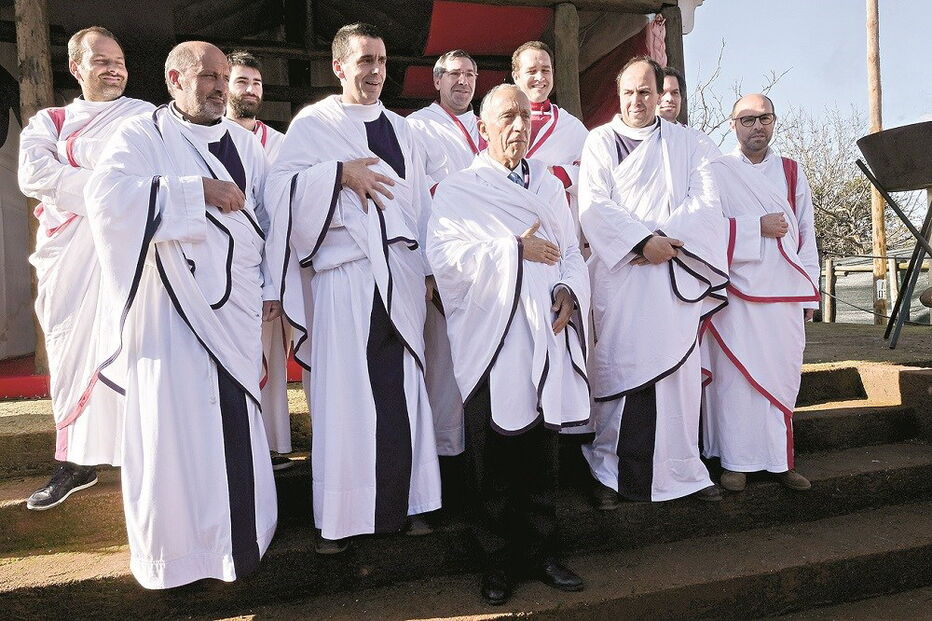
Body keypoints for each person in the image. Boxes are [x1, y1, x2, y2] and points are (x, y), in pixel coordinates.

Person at [84, 41, 277, 589]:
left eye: (224, 77)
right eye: (208, 76)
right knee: (176, 433)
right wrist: (196, 193)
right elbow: (107, 199)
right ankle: (180, 558)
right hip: (170, 316)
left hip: (234, 312)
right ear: (174, 78)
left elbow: (267, 216)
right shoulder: (142, 136)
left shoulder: (245, 143)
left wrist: (268, 286)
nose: (219, 86)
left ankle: (242, 540)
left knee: (236, 421)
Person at [265, 22, 441, 555]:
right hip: (346, 280)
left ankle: (404, 504)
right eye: (364, 61)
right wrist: (338, 174)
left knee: (401, 392)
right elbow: (278, 193)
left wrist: (430, 269)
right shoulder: (313, 124)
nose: (375, 71)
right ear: (339, 66)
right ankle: (340, 519)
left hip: (401, 278)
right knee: (347, 399)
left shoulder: (403, 129)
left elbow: (419, 205)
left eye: (382, 61)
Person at [429, 83, 589, 606]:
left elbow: (567, 251)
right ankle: (496, 560)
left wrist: (568, 288)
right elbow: (446, 259)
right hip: (493, 338)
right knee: (493, 456)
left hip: (545, 332)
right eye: (506, 117)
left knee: (542, 451)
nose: (518, 126)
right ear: (484, 128)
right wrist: (510, 248)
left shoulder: (547, 184)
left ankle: (542, 551)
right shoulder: (461, 189)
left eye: (524, 116)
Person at [579, 56, 728, 509]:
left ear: (660, 93)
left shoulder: (691, 143)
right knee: (623, 371)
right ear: (618, 93)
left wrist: (662, 242)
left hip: (672, 274)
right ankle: (612, 473)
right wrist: (641, 242)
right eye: (629, 92)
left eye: (646, 91)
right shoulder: (600, 141)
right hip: (622, 278)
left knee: (676, 380)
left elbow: (706, 203)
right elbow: (592, 206)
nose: (637, 100)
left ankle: (683, 471)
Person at [17, 26, 153, 511]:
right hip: (68, 261)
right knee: (71, 349)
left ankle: (139, 452)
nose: (114, 68)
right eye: (101, 61)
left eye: (118, 60)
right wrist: (108, 187)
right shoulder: (49, 122)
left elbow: (150, 174)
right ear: (76, 68)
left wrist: (79, 173)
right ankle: (75, 462)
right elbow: (34, 175)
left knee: (136, 345)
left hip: (128, 254)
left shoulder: (146, 118)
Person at [701, 94, 820, 492]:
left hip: (784, 292)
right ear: (732, 124)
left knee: (779, 374)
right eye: (747, 119)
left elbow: (806, 233)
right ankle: (734, 462)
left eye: (764, 118)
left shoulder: (790, 171)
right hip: (735, 291)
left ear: (774, 122)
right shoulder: (716, 170)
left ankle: (779, 461)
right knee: (735, 379)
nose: (757, 126)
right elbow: (705, 229)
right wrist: (755, 228)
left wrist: (808, 292)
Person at [406, 49, 481, 459]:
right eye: (454, 74)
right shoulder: (417, 127)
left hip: (488, 263)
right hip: (444, 262)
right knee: (442, 363)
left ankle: (479, 452)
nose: (463, 81)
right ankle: (442, 456)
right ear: (436, 80)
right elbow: (414, 200)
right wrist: (428, 269)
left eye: (470, 74)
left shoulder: (488, 125)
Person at [226, 49, 293, 471]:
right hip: (225, 271)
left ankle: (273, 444)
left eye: (256, 83)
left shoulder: (281, 143)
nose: (250, 90)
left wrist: (275, 280)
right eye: (241, 82)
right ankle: (238, 442)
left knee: (270, 356)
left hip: (270, 269)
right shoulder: (209, 139)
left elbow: (282, 215)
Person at [511, 41, 589, 235]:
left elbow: (595, 177)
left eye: (546, 70)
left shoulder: (572, 127)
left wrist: (555, 174)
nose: (540, 77)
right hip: (508, 221)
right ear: (516, 76)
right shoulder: (497, 123)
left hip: (557, 227)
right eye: (532, 71)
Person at [656, 65, 721, 159]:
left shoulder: (698, 140)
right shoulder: (636, 137)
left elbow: (719, 171)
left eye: (675, 93)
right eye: (663, 93)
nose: (669, 99)